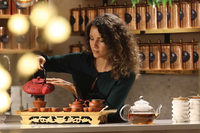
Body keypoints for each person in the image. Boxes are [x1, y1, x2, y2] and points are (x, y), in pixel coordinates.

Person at [37, 13, 140, 123]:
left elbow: (108, 111)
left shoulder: (126, 73)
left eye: (100, 40)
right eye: (91, 38)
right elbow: (47, 61)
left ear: (115, 42)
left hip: (110, 128)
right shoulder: (80, 60)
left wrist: (74, 89)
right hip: (81, 126)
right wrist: (38, 58)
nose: (94, 45)